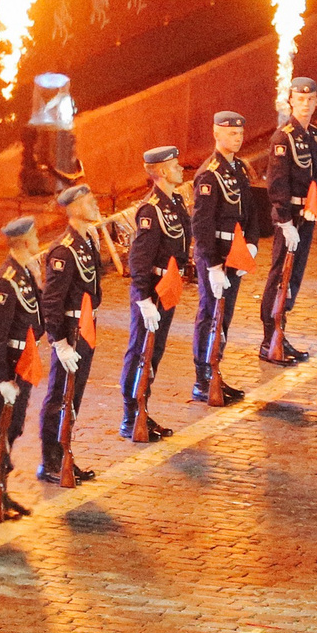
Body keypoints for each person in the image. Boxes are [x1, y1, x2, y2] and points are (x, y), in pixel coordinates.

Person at [186, 111, 256, 405]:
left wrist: (251, 244)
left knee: (224, 316)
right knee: (210, 314)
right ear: (216, 134)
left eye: (239, 133)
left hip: (236, 252)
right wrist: (212, 264)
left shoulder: (238, 168)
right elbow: (201, 225)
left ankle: (216, 370)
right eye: (230, 133)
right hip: (215, 254)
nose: (236, 138)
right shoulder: (209, 173)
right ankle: (203, 378)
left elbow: (250, 211)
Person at [36, 183, 104, 485]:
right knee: (59, 397)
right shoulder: (64, 250)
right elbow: (51, 301)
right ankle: (51, 461)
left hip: (87, 327)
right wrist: (59, 342)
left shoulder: (90, 239)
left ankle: (65, 455)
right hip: (72, 331)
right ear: (74, 208)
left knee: (73, 397)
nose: (94, 205)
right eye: (89, 202)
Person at [0, 215, 44, 522]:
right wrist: (2, 377)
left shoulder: (24, 272)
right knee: (0, 427)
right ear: (24, 241)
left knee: (14, 426)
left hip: (24, 362)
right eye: (34, 236)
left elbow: (34, 318)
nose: (37, 239)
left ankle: (2, 489)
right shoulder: (6, 280)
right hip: (11, 366)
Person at [121, 147, 189, 444]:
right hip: (152, 291)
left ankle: (142, 411)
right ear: (161, 171)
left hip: (168, 288)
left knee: (154, 354)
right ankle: (130, 416)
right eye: (175, 166)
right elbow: (139, 260)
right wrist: (143, 299)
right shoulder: (152, 211)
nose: (180, 169)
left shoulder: (175, 202)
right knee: (140, 353)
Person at [259, 79, 317, 365]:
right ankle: (268, 338)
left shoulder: (315, 134)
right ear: (291, 101)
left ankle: (280, 333)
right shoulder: (282, 138)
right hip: (290, 216)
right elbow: (277, 183)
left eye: (310, 100)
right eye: (300, 99)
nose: (306, 104)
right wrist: (284, 220)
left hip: (307, 213)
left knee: (294, 276)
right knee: (279, 276)